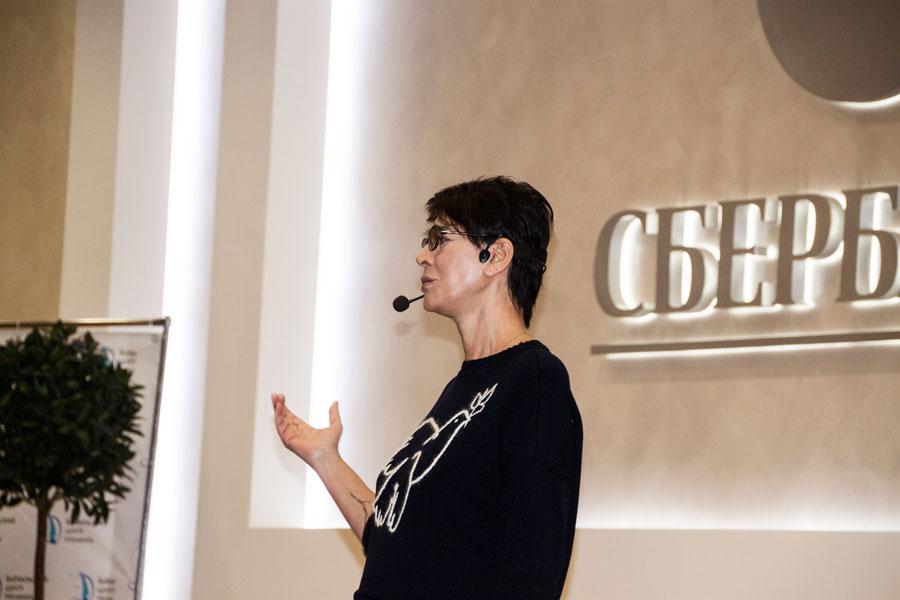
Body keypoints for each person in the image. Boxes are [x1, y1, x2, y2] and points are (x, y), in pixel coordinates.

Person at [272, 176, 583, 599]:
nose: (422, 256)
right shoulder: (464, 388)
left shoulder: (535, 381)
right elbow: (396, 546)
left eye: (440, 239)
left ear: (496, 256)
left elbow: (533, 572)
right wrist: (325, 459)